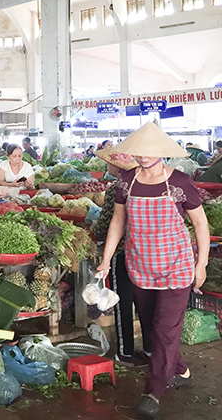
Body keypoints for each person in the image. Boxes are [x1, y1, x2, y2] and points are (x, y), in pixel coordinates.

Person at [97, 122, 210, 418]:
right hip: (141, 266)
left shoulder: (180, 182)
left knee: (165, 329)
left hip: (176, 266)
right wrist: (106, 258)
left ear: (161, 151)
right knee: (150, 327)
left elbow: (200, 224)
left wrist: (202, 263)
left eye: (150, 151)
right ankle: (180, 369)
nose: (144, 156)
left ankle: (153, 391)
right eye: (139, 151)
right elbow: (117, 222)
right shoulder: (126, 181)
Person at [90, 147, 148, 366]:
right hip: (144, 254)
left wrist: (94, 226)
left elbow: (107, 224)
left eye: (109, 162)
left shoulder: (118, 187)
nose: (107, 166)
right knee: (144, 302)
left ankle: (125, 353)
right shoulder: (147, 184)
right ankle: (151, 350)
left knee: (122, 302)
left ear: (119, 165)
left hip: (122, 252)